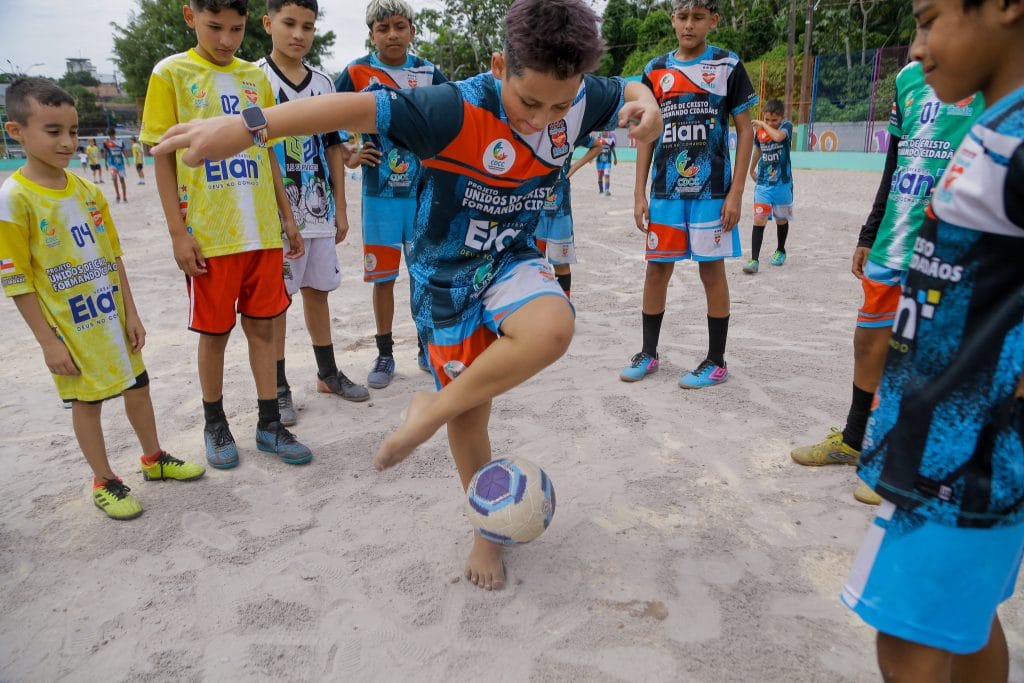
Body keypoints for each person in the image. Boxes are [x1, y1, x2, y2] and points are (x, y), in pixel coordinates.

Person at [151, 0, 662, 590]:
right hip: (443, 276)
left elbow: (628, 84)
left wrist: (644, 101)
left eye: (559, 105)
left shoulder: (575, 95)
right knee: (473, 416)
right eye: (529, 103)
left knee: (554, 329)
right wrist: (244, 127)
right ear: (499, 67)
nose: (542, 119)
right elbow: (347, 107)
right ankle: (487, 531)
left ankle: (428, 411)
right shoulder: (449, 107)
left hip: (510, 257)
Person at [840, 0, 1024, 679]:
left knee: (907, 634)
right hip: (946, 437)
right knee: (966, 622)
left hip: (967, 453)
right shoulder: (994, 122)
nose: (916, 48)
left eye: (928, 19)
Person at [0, 78, 206, 520]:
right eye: (53, 131)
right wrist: (48, 342)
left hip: (110, 317)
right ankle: (104, 479)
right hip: (69, 327)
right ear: (16, 131)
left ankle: (153, 458)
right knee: (87, 402)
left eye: (73, 131)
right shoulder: (14, 200)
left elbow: (112, 257)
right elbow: (16, 280)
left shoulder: (88, 191)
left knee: (139, 385)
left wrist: (131, 312)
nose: (68, 141)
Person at [789, 61, 982, 506]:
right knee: (868, 342)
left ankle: (913, 462)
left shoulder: (989, 72)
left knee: (929, 355)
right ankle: (856, 439)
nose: (921, 39)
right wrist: (870, 230)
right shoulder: (908, 77)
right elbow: (894, 162)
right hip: (893, 237)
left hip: (945, 245)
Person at [140, 0, 314, 469]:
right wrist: (178, 233)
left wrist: (288, 218)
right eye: (215, 27)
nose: (225, 40)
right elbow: (161, 155)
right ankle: (215, 423)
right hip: (210, 237)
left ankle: (268, 424)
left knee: (264, 327)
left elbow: (269, 152)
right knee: (214, 334)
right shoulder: (170, 74)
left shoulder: (255, 78)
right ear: (189, 16)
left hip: (261, 232)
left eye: (236, 29)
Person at [621, 0, 756, 389]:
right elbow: (646, 133)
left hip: (712, 192)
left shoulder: (728, 66)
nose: (689, 25)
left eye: (698, 18)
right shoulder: (655, 70)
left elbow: (745, 130)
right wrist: (638, 192)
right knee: (656, 269)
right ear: (673, 20)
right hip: (665, 191)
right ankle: (648, 353)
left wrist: (736, 193)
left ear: (713, 20)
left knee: (710, 270)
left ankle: (716, 361)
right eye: (682, 17)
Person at [258, 0, 369, 425]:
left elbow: (333, 147)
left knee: (319, 292)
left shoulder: (323, 83)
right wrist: (285, 218)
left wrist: (341, 206)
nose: (298, 34)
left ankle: (327, 373)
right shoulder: (256, 80)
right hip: (277, 214)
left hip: (318, 207)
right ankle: (279, 386)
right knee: (277, 303)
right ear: (269, 24)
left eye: (307, 25)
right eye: (289, 24)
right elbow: (260, 149)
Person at [335, 0, 448, 390]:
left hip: (422, 196)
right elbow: (327, 120)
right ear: (371, 34)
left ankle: (425, 346)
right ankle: (384, 354)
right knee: (383, 278)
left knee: (423, 274)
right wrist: (350, 156)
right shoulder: (354, 71)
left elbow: (451, 122)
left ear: (412, 29)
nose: (392, 35)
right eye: (383, 29)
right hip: (379, 197)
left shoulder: (430, 72)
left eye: (400, 26)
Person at [535, 136, 602, 297]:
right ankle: (535, 309)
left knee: (561, 263)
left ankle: (564, 306)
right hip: (533, 209)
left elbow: (597, 146)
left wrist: (574, 167)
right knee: (533, 263)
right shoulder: (533, 128)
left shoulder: (570, 129)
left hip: (560, 210)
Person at [743, 98, 792, 274]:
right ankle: (754, 260)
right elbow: (758, 150)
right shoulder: (761, 132)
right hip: (764, 184)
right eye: (767, 119)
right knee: (759, 219)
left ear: (782, 117)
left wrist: (764, 124)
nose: (771, 123)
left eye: (774, 120)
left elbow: (778, 137)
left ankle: (780, 250)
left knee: (781, 219)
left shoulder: (786, 127)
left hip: (783, 184)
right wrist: (751, 169)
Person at [103, 129, 129, 203]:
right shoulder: (106, 143)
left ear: (115, 134)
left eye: (112, 134)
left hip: (121, 164)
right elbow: (105, 153)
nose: (111, 136)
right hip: (112, 164)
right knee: (114, 178)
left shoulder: (120, 142)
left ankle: (124, 197)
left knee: (122, 180)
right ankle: (117, 195)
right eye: (110, 135)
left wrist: (127, 160)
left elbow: (124, 151)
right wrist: (105, 163)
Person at [594, 131, 617, 195]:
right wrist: (590, 158)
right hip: (599, 162)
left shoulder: (610, 141)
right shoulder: (598, 140)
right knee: (600, 176)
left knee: (607, 175)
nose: (605, 132)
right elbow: (594, 150)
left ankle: (607, 190)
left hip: (608, 161)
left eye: (606, 131)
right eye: (604, 131)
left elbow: (613, 149)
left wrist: (615, 158)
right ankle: (601, 190)